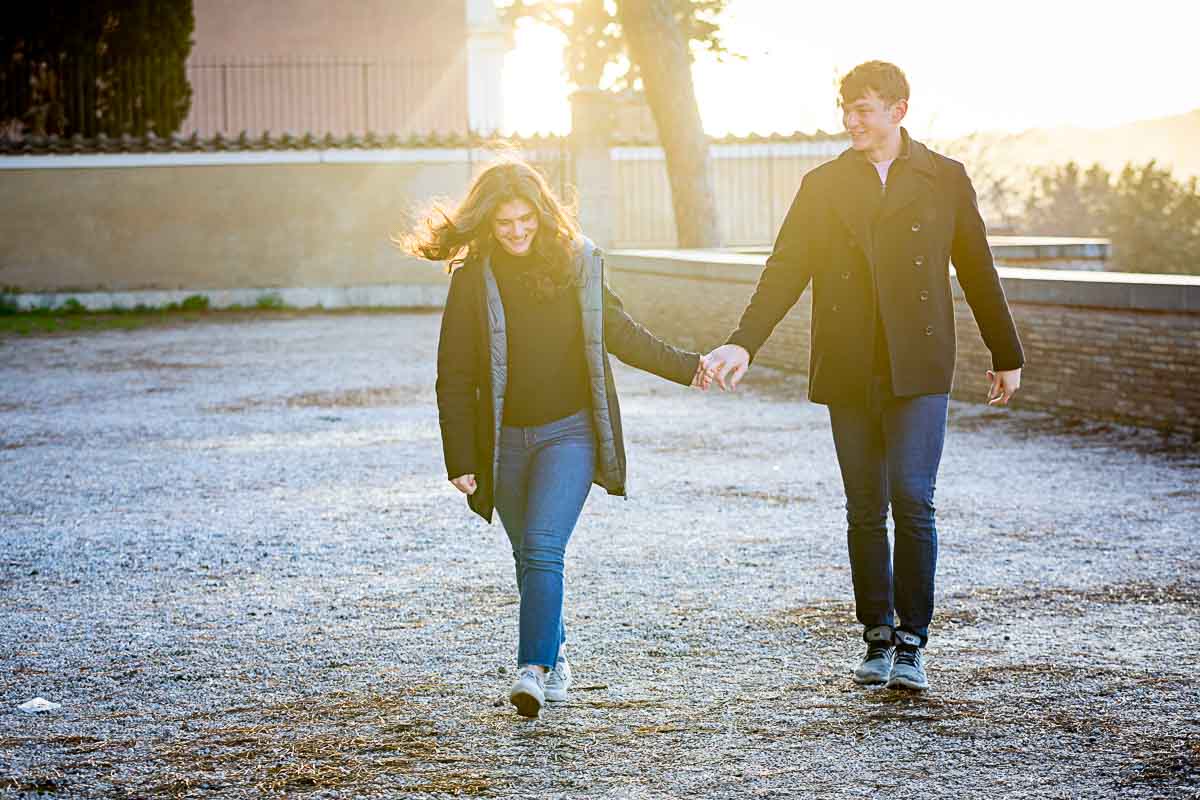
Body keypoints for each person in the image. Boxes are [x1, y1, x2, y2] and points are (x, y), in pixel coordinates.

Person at [704, 61, 1025, 691]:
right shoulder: (823, 185)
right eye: (846, 108)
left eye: (866, 109)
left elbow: (979, 271)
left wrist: (1005, 353)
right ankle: (876, 635)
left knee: (912, 496)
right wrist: (745, 343)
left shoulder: (944, 179)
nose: (852, 120)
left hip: (920, 364)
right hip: (850, 363)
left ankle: (913, 642)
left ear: (899, 111)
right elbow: (785, 269)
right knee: (863, 505)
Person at [402, 159, 711, 718]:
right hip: (504, 442)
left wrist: (691, 369)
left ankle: (532, 670)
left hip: (570, 433)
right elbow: (454, 374)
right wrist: (460, 456)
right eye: (504, 223)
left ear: (543, 215)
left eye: (526, 220)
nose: (517, 232)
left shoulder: (578, 265)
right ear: (488, 224)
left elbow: (620, 333)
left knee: (545, 547)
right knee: (528, 556)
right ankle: (557, 649)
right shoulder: (473, 279)